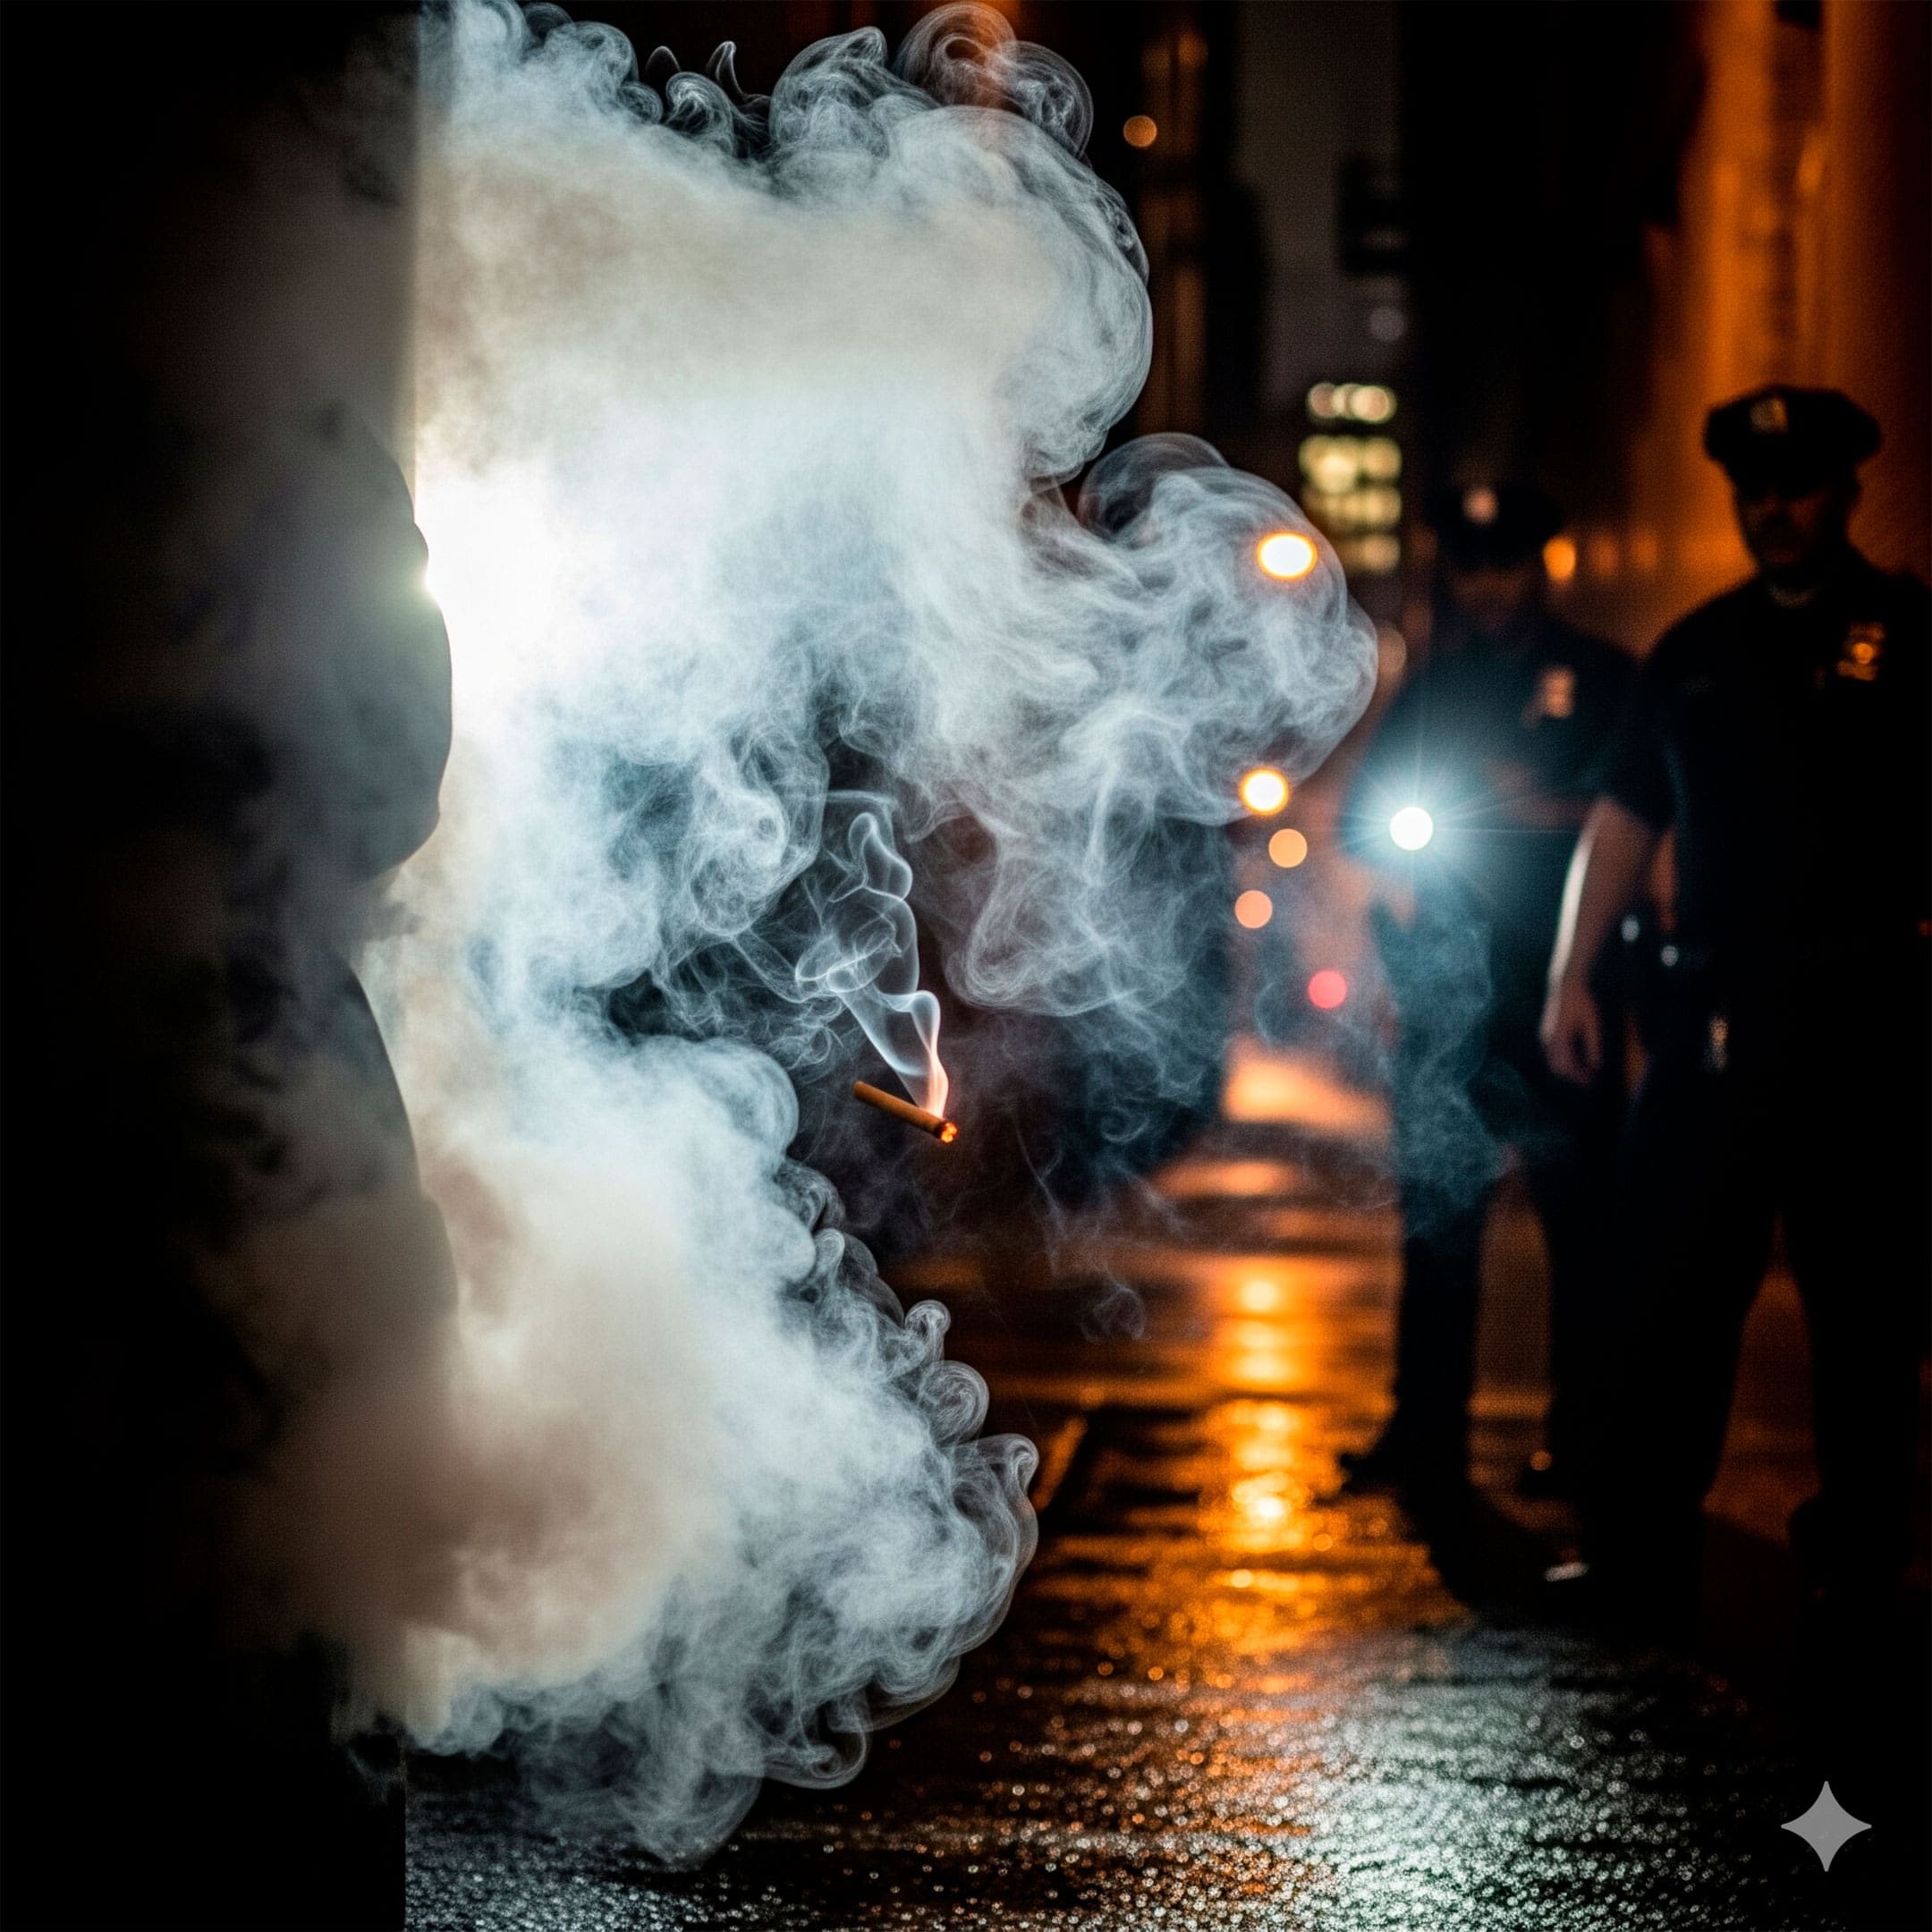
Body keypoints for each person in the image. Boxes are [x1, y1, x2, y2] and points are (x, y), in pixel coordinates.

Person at [1542, 385, 1930, 1613]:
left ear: (1849, 490)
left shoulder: (1911, 637)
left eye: (1798, 485)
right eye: (1754, 490)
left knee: (1866, 1306)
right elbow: (1619, 821)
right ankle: (1641, 1543)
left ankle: (1863, 1553)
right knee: (1668, 1291)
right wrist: (1569, 978)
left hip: (1867, 1016)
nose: (1773, 508)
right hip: (1710, 1023)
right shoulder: (1696, 654)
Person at [1341, 483, 1635, 1498]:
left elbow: (1639, 811)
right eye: (1472, 568)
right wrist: (1399, 957)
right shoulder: (1435, 689)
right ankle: (1425, 1437)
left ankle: (1587, 1441)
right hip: (1448, 1000)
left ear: (1537, 567)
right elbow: (1368, 821)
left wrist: (1541, 808)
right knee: (1438, 1222)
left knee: (1584, 1226)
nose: (1488, 588)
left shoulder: (1601, 679)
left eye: (1504, 564)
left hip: (1565, 990)